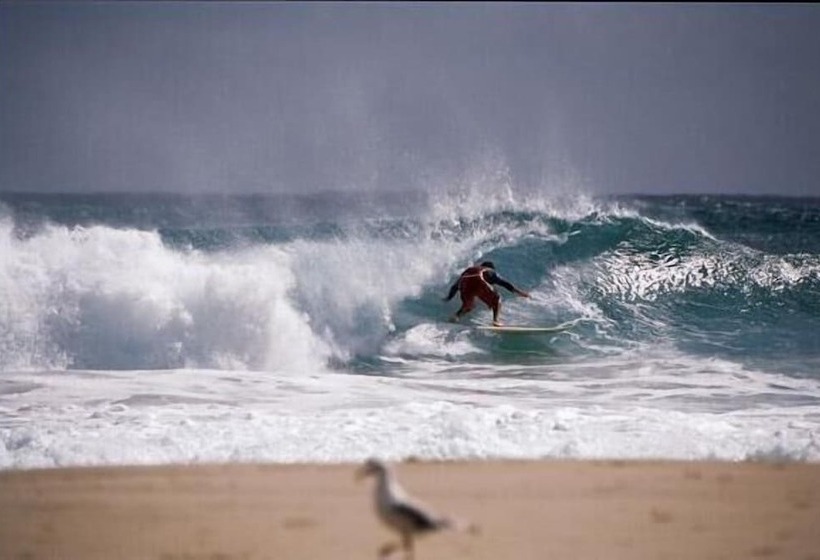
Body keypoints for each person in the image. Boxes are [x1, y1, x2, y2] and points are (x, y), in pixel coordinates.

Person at [443, 261, 529, 326]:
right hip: (478, 280)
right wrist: (519, 292)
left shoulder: (469, 271)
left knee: (469, 305)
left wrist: (448, 297)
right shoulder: (489, 270)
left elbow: (455, 287)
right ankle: (496, 320)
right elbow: (504, 283)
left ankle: (456, 316)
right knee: (497, 298)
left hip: (464, 282)